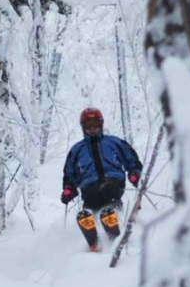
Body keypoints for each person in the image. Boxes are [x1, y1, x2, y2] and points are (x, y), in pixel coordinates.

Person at [61, 107, 142, 252]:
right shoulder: (77, 150)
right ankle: (92, 233)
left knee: (108, 190)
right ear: (83, 127)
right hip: (89, 186)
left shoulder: (114, 143)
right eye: (88, 126)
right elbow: (69, 174)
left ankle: (113, 219)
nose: (92, 129)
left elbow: (131, 159)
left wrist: (134, 173)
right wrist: (69, 189)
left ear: (101, 125)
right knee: (91, 201)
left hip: (113, 180)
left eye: (95, 125)